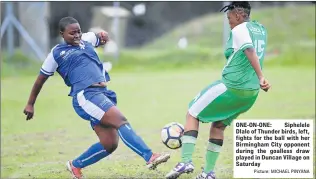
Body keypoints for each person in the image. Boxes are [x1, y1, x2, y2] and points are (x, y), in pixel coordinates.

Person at [23, 16, 170, 179]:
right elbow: (40, 80)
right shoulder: (57, 53)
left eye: (78, 31)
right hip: (85, 95)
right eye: (72, 33)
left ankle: (75, 165)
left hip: (103, 93)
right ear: (62, 34)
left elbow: (100, 36)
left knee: (110, 143)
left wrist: (103, 35)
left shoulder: (86, 39)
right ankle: (149, 156)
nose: (77, 35)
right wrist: (30, 104)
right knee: (120, 120)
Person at [165, 2, 270, 179]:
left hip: (232, 86)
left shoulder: (240, 29)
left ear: (238, 15)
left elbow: (249, 50)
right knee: (218, 126)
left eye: (229, 18)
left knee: (192, 113)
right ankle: (208, 173)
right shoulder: (260, 29)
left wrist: (261, 76)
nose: (228, 21)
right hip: (250, 94)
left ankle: (185, 161)